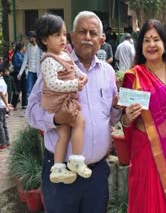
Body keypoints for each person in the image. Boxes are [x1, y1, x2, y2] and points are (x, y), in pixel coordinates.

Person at [26, 11, 122, 212]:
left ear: (101, 39)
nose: (87, 37)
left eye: (93, 33)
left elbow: (111, 120)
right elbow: (31, 112)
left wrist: (117, 108)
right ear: (72, 36)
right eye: (82, 32)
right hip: (61, 176)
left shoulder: (108, 72)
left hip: (95, 174)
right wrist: (57, 119)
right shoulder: (55, 66)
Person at [120, 19, 166, 213]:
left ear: (165, 44)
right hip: (147, 151)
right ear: (140, 45)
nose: (152, 45)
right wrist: (127, 118)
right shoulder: (134, 76)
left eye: (156, 39)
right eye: (146, 40)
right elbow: (125, 119)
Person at [35, 14, 92, 184]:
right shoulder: (48, 61)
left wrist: (82, 77)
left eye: (64, 34)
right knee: (79, 122)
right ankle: (75, 159)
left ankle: (59, 167)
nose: (62, 38)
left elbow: (74, 69)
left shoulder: (66, 54)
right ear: (45, 40)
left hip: (66, 99)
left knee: (64, 133)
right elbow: (52, 84)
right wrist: (75, 85)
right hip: (57, 102)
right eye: (57, 35)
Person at [17, 30, 42, 102]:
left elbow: (44, 57)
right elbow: (25, 60)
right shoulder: (29, 46)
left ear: (34, 38)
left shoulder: (40, 47)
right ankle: (29, 108)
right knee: (29, 90)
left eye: (30, 38)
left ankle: (38, 107)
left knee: (38, 91)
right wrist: (20, 73)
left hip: (38, 72)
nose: (29, 39)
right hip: (30, 71)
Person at [11, 43, 27, 110]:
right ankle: (13, 105)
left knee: (24, 89)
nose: (25, 48)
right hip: (17, 73)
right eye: (24, 47)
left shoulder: (22, 54)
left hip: (23, 73)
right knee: (17, 89)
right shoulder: (16, 55)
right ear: (21, 47)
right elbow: (15, 64)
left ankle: (24, 104)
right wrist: (24, 66)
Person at [0, 64, 12, 149]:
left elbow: (2, 94)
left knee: (0, 125)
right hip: (3, 105)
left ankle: (2, 143)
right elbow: (6, 93)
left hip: (0, 106)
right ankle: (7, 141)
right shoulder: (3, 81)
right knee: (4, 124)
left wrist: (6, 104)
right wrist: (7, 104)